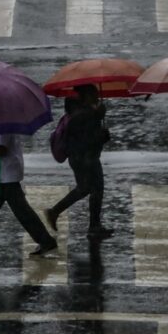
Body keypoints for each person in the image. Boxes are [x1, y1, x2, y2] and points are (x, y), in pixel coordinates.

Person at [45, 84, 112, 240]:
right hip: (84, 158)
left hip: (85, 157)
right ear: (86, 95)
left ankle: (92, 225)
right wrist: (100, 128)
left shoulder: (82, 112)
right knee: (91, 189)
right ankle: (91, 225)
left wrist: (101, 131)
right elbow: (85, 140)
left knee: (89, 189)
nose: (97, 96)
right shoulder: (83, 114)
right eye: (93, 93)